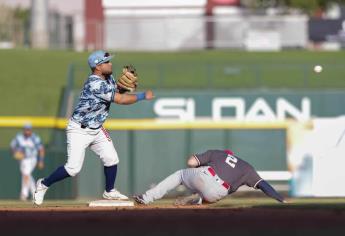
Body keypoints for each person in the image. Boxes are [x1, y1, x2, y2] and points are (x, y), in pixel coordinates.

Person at [33, 50, 154, 205]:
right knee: (73, 169)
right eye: (106, 62)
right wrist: (143, 96)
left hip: (96, 129)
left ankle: (109, 191)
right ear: (97, 66)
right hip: (79, 130)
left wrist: (123, 87)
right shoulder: (95, 83)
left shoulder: (108, 78)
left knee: (111, 159)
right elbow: (121, 100)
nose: (110, 64)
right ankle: (43, 184)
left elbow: (116, 91)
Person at [134, 149, 286, 205]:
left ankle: (147, 198)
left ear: (226, 154)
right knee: (212, 194)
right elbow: (264, 185)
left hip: (206, 175)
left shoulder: (218, 153)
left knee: (180, 175)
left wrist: (196, 160)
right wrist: (280, 198)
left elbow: (191, 162)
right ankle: (196, 199)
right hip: (218, 192)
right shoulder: (247, 168)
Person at [10, 123, 45, 201]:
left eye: (28, 129)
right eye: (26, 129)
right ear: (24, 130)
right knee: (27, 175)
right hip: (23, 159)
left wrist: (41, 161)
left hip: (32, 159)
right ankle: (35, 193)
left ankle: (24, 194)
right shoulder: (19, 137)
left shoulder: (35, 138)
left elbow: (41, 149)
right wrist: (15, 153)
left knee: (26, 174)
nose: (27, 131)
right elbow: (12, 146)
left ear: (31, 130)